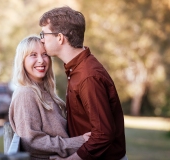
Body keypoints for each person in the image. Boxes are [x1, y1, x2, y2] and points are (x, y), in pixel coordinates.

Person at [39, 6, 127, 160]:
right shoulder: (76, 70)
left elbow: (103, 134)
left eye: (44, 34)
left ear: (60, 38)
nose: (42, 39)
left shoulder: (88, 76)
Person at [9, 35, 91, 160]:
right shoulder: (26, 94)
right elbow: (33, 142)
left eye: (45, 54)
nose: (41, 60)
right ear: (22, 61)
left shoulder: (45, 92)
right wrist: (79, 141)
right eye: (33, 55)